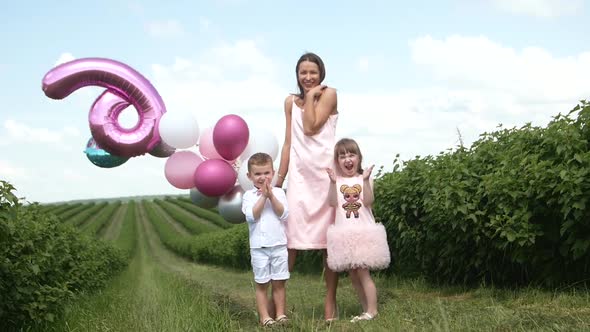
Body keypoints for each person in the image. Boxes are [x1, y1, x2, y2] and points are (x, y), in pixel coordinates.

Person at [275, 52, 340, 321]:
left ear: (321, 73)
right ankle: (278, 305)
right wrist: (279, 179)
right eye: (303, 72)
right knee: (289, 240)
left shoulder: (330, 94)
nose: (308, 77)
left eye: (313, 72)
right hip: (300, 178)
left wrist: (313, 97)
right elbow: (290, 141)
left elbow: (312, 127)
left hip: (326, 176)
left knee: (329, 243)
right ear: (297, 75)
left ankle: (330, 304)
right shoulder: (290, 102)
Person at [325, 138, 390, 322]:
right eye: (342, 155)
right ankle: (365, 309)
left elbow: (368, 201)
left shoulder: (364, 179)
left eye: (351, 154)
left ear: (359, 158)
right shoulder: (336, 182)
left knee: (363, 271)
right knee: (353, 274)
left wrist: (367, 180)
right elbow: (332, 203)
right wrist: (331, 183)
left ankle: (373, 310)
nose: (347, 159)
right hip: (345, 233)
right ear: (337, 161)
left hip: (363, 231)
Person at [241, 152, 290, 327]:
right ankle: (264, 317)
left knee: (279, 282)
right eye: (258, 174)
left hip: (278, 245)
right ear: (249, 176)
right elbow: (251, 216)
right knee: (262, 284)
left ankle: (281, 314)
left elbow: (283, 214)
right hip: (259, 248)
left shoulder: (278, 192)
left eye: (266, 173)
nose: (263, 177)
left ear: (273, 172)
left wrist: (271, 196)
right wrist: (263, 196)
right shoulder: (248, 196)